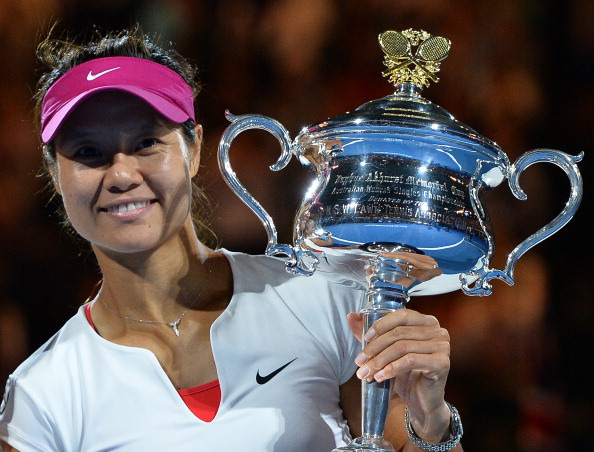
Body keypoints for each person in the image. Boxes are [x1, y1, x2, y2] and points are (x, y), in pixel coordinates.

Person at [0, 26, 462, 452]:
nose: (122, 174)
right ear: (55, 175)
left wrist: (432, 419)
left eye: (146, 143)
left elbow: (407, 441)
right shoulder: (42, 396)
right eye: (88, 152)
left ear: (195, 147)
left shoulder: (321, 298)